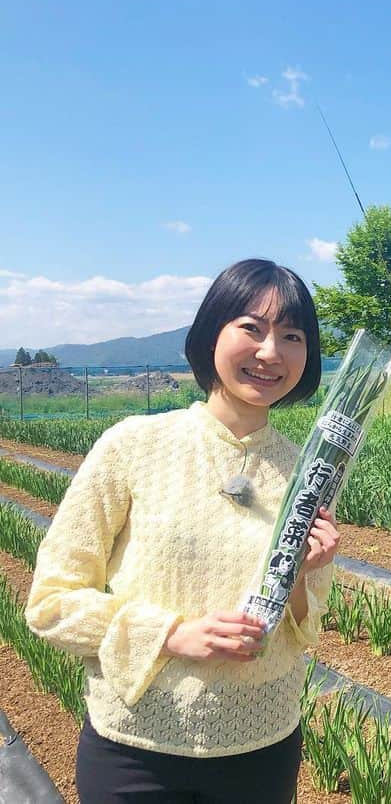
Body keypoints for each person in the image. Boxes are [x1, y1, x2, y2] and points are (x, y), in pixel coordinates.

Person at [25, 258, 340, 803]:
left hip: (262, 747)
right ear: (209, 333)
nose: (270, 353)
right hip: (138, 750)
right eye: (251, 328)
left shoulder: (306, 471)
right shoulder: (134, 445)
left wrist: (303, 576)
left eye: (292, 336)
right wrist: (170, 635)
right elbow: (51, 603)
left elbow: (303, 633)